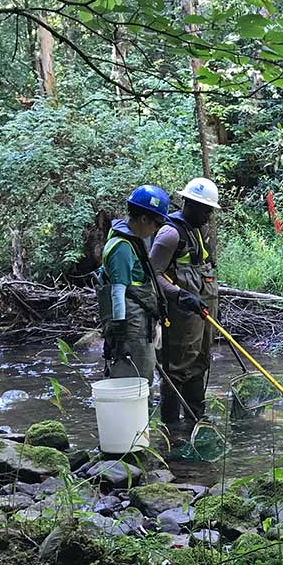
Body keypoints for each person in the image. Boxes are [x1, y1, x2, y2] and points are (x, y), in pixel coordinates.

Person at [150, 177, 221, 425]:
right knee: (176, 371)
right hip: (178, 317)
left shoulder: (197, 231)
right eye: (205, 208)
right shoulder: (170, 234)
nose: (208, 215)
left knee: (200, 363)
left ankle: (195, 421)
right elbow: (153, 275)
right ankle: (170, 428)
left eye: (211, 209)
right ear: (188, 203)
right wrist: (179, 294)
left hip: (200, 315)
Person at [99, 185, 169, 385]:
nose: (156, 229)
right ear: (144, 219)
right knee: (136, 379)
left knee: (144, 374)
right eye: (156, 223)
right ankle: (136, 416)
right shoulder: (122, 247)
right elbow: (117, 292)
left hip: (140, 320)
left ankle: (142, 415)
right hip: (130, 325)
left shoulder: (132, 238)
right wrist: (120, 335)